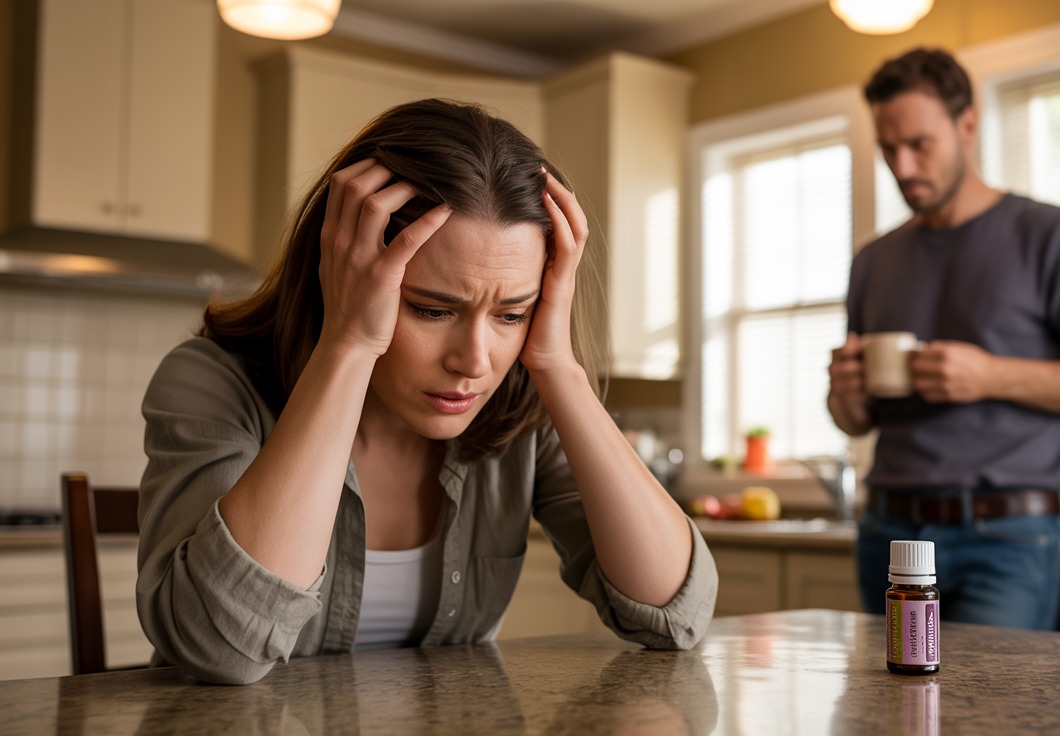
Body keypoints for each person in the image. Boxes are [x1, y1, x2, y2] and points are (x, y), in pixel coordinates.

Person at [136, 98, 718, 685]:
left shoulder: (522, 408)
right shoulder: (212, 381)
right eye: (432, 309)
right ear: (340, 268)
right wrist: (347, 345)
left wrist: (559, 365)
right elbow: (221, 648)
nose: (474, 361)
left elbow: (676, 617)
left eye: (511, 314)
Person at [827, 48, 1060, 630]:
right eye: (887, 147)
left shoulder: (1051, 235)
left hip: (1007, 539)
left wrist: (990, 375)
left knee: (992, 719)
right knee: (888, 716)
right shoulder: (873, 261)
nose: (902, 166)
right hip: (887, 534)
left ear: (967, 125)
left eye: (919, 144)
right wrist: (844, 395)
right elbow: (860, 420)